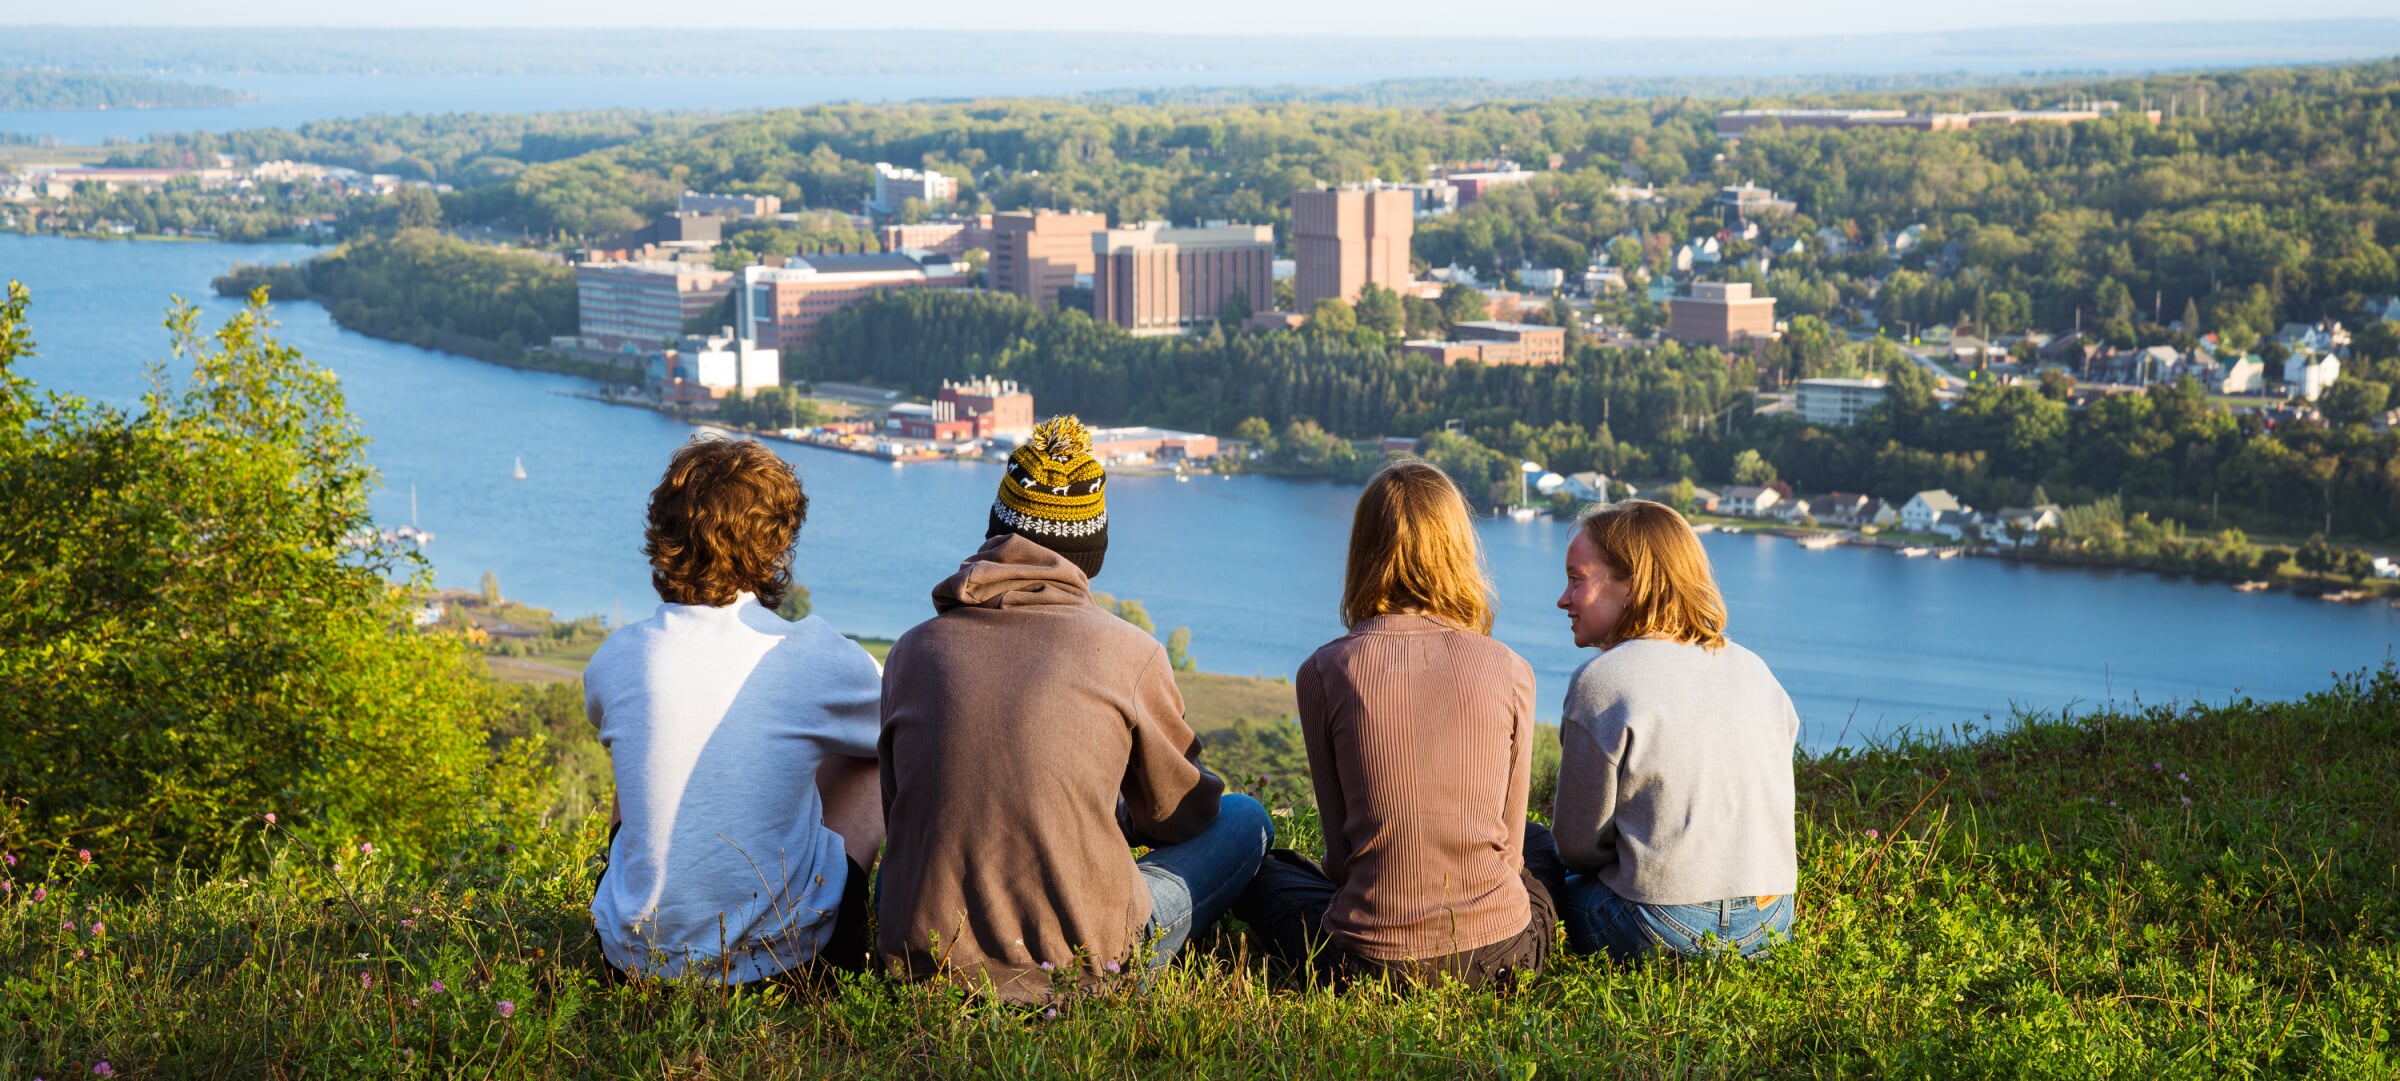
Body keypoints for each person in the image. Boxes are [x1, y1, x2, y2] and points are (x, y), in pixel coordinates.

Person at [875, 416, 1272, 1003]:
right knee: (1243, 819)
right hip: (1080, 965)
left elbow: (904, 811)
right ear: (1093, 550)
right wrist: (1112, 816)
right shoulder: (1130, 653)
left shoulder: (911, 651)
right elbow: (1181, 819)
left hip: (925, 957)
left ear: (995, 531)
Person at [1231, 459, 1554, 987]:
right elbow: (1513, 852)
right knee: (1541, 844)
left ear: (1363, 551)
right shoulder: (1512, 668)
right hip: (1504, 958)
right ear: (1459, 550)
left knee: (1265, 869)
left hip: (1366, 964)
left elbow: (1339, 861)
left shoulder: (1323, 670)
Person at [583, 435, 885, 985]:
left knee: (649, 745)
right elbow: (898, 729)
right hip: (781, 963)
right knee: (873, 755)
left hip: (630, 960)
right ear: (776, 545)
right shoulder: (816, 657)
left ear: (663, 532)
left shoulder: (618, 656)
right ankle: (850, 939)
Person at [1545, 499, 1798, 961]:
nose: (1563, 598)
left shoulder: (1602, 681)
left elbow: (1576, 849)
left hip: (1661, 925)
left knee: (1535, 867)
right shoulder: (1756, 670)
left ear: (1631, 585)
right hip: (1772, 920)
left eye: (1576, 579)